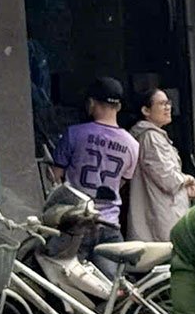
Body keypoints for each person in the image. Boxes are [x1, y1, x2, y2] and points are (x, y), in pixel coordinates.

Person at [50, 77, 138, 231]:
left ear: (91, 103)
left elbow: (54, 176)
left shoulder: (74, 134)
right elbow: (121, 182)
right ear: (118, 107)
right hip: (109, 224)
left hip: (76, 222)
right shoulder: (133, 145)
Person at [128, 86, 195, 243]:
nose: (168, 107)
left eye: (168, 103)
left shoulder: (153, 136)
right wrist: (188, 179)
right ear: (146, 110)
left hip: (162, 215)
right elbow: (168, 179)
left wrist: (186, 188)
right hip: (160, 220)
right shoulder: (151, 137)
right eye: (162, 104)